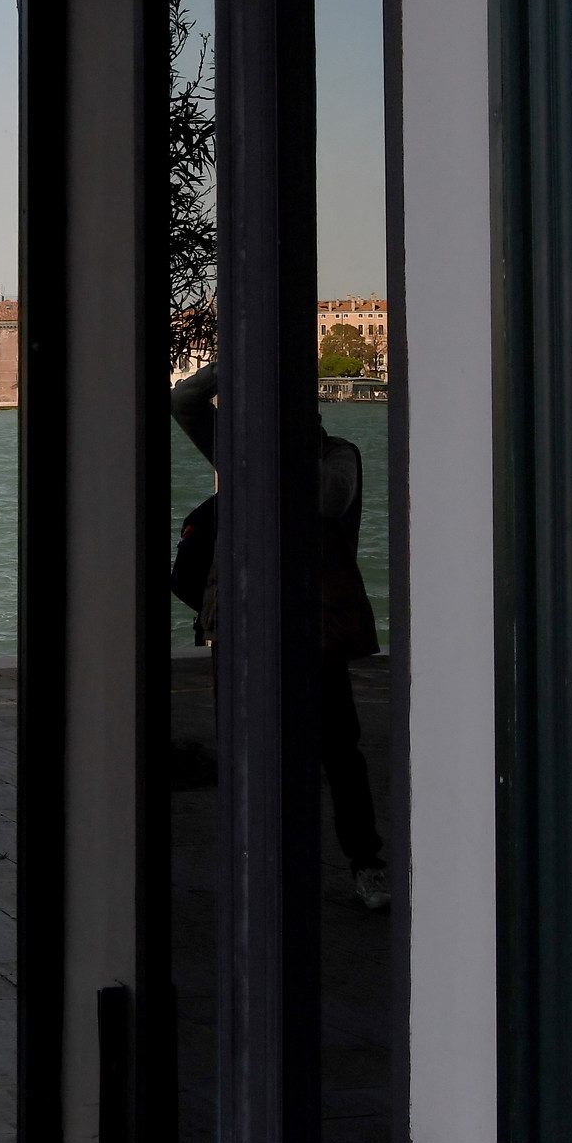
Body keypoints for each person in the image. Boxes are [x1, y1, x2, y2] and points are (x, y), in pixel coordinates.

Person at [170, 361, 389, 912]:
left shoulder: (336, 453)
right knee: (247, 749)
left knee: (340, 750)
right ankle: (259, 870)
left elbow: (327, 499)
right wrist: (238, 359)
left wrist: (276, 446)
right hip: (241, 620)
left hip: (312, 622)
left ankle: (367, 865)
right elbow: (185, 401)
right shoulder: (242, 450)